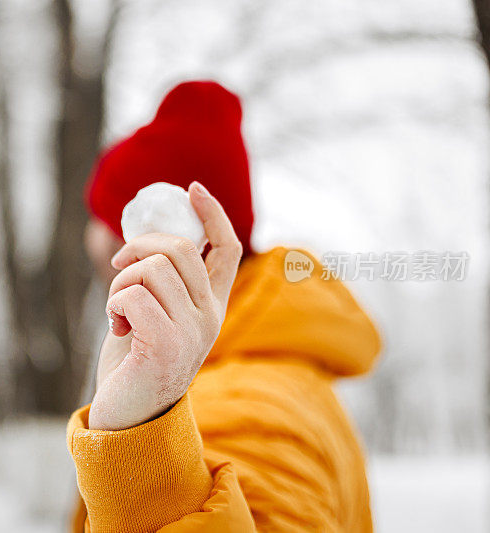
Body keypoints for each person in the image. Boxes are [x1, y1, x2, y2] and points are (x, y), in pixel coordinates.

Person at [68, 80, 381, 532]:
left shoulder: (243, 408)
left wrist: (139, 448)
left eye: (99, 216)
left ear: (141, 241)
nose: (89, 239)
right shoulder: (280, 369)